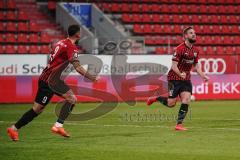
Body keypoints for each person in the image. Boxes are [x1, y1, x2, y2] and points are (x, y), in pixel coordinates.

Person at [7, 24, 99, 141]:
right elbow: (78, 67)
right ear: (77, 34)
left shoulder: (60, 43)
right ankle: (58, 126)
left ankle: (13, 129)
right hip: (51, 81)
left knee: (37, 110)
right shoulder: (71, 46)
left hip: (45, 78)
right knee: (71, 99)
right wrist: (92, 77)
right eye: (80, 32)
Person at [147, 26, 209, 131]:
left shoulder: (195, 51)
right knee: (171, 103)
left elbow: (197, 66)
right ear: (185, 36)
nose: (194, 34)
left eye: (194, 33)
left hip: (186, 79)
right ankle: (156, 98)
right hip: (174, 78)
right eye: (191, 33)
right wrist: (180, 74)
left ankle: (179, 124)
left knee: (186, 99)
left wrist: (203, 76)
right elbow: (173, 67)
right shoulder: (179, 49)